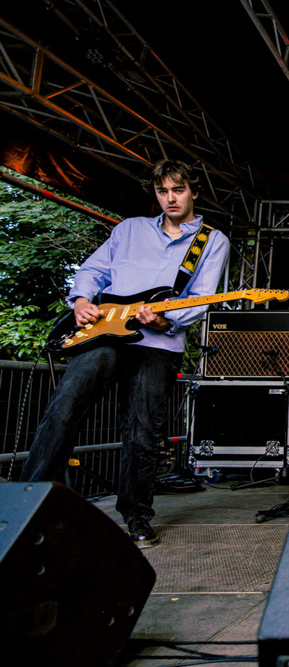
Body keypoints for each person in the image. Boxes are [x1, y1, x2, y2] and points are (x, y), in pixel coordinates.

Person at [20, 158, 230, 547]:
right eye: (163, 191)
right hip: (105, 334)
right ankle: (29, 502)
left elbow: (202, 297)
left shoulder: (212, 240)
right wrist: (82, 299)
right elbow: (94, 270)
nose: (170, 198)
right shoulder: (129, 229)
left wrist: (167, 319)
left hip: (158, 344)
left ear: (194, 192)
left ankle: (136, 515)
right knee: (63, 408)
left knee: (143, 431)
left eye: (179, 190)